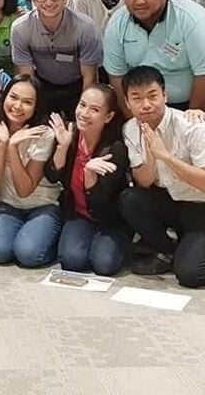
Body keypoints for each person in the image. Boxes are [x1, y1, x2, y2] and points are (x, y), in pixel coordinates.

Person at [117, 66, 205, 287]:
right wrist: (151, 154)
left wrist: (166, 156)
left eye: (153, 96)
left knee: (190, 275)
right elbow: (143, 181)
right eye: (137, 98)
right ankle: (168, 251)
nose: (146, 105)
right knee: (130, 199)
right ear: (127, 101)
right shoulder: (131, 129)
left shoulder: (192, 126)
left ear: (165, 95)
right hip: (173, 200)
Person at [103, 0, 205, 117]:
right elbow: (116, 77)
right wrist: (134, 122)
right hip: (139, 109)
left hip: (188, 107)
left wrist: (188, 123)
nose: (139, 1)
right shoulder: (117, 23)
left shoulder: (192, 17)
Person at [47, 85, 132, 276]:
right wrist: (62, 147)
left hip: (110, 218)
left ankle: (121, 243)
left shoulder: (115, 148)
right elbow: (52, 176)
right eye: (82, 105)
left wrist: (90, 174)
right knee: (72, 261)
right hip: (79, 214)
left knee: (104, 265)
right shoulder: (69, 134)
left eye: (94, 110)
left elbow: (101, 202)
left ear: (108, 117)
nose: (84, 113)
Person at [0, 76, 60, 267]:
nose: (17, 106)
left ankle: (53, 238)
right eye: (13, 97)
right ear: (4, 97)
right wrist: (3, 143)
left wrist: (13, 148)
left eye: (27, 102)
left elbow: (25, 189)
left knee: (28, 255)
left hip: (42, 204)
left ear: (36, 106)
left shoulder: (44, 133)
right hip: (6, 204)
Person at [11, 0, 103, 121]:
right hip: (42, 85)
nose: (48, 3)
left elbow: (90, 78)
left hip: (77, 85)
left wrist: (84, 111)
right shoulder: (21, 28)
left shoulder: (85, 27)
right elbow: (27, 78)